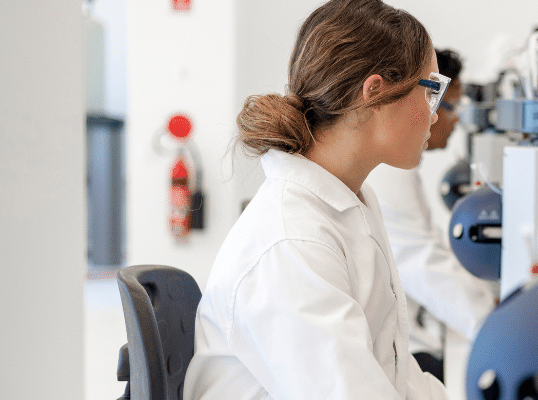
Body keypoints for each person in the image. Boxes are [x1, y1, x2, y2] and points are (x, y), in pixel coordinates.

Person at [183, 1, 450, 399]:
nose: (436, 114)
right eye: (431, 90)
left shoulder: (350, 202)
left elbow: (394, 373)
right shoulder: (292, 240)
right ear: (375, 92)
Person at [365, 49, 497, 382]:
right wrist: (491, 322)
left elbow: (425, 243)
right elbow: (418, 258)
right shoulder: (387, 169)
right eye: (446, 104)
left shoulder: (395, 167)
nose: (447, 119)